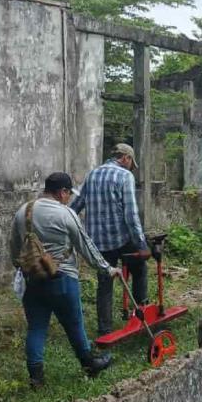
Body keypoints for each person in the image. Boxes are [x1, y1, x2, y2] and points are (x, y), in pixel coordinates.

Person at [11, 173, 119, 388]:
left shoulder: (23, 212)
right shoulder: (66, 214)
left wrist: (23, 269)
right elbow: (86, 246)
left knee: (36, 328)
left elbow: (15, 247)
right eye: (68, 194)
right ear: (62, 192)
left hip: (33, 280)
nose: (69, 198)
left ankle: (36, 377)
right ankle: (89, 364)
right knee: (74, 324)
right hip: (63, 279)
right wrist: (107, 269)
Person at [71, 143, 150, 336]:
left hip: (98, 243)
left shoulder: (93, 174)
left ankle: (104, 329)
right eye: (131, 163)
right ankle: (141, 314)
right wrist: (141, 244)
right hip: (121, 239)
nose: (131, 167)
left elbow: (76, 207)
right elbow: (131, 215)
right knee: (140, 268)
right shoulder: (125, 176)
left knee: (104, 283)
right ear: (126, 158)